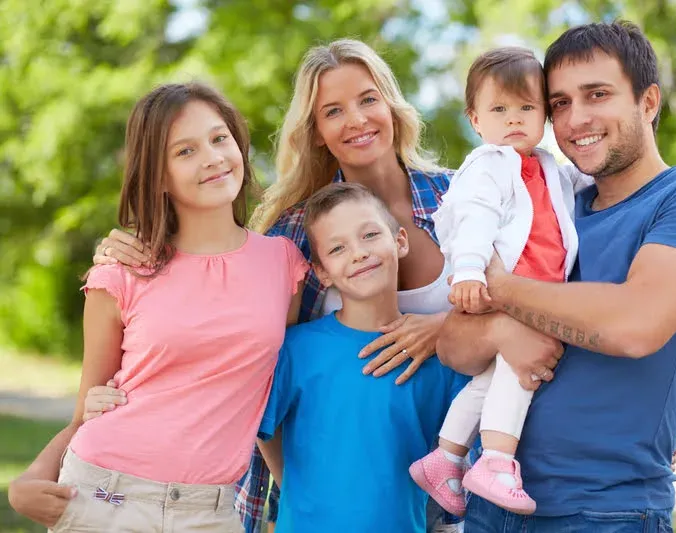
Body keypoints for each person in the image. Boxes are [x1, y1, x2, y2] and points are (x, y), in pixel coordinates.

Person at [85, 39, 521, 533]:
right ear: (315, 132)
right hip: (329, 493)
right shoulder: (292, 236)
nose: (356, 120)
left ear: (392, 106)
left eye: (367, 99)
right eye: (333, 111)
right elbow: (241, 346)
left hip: (459, 473)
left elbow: (528, 301)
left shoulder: (463, 197)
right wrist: (131, 247)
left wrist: (442, 328)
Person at [437, 21, 676, 532]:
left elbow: (634, 326)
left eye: (597, 94)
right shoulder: (549, 207)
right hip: (491, 503)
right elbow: (453, 345)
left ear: (648, 102)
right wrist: (497, 328)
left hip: (606, 511)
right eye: (559, 102)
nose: (575, 118)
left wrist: (501, 289)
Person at [7, 83, 307, 531]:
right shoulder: (122, 272)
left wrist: (298, 498)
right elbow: (86, 411)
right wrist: (28, 480)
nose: (212, 157)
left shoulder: (284, 263)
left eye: (219, 138)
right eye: (185, 151)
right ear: (159, 176)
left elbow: (274, 395)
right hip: (105, 497)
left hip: (211, 511)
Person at [409, 47, 590, 516]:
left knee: (490, 381)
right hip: (504, 285)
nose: (514, 119)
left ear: (545, 116)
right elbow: (474, 217)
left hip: (535, 289)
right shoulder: (487, 164)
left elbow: (578, 183)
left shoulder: (545, 165)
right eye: (499, 109)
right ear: (475, 119)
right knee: (518, 370)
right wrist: (469, 269)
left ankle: (445, 457)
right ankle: (496, 460)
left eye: (527, 108)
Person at [252, 182, 468, 532]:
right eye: (338, 248)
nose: (358, 253)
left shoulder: (438, 358)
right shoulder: (296, 349)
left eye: (369, 235)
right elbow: (264, 431)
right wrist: (294, 489)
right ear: (321, 271)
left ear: (399, 241)